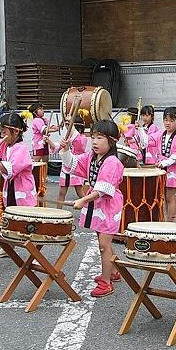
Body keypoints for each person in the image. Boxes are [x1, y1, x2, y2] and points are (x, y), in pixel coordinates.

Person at [58, 120, 124, 297]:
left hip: (109, 205)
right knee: (103, 242)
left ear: (112, 141)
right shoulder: (91, 157)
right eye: (93, 137)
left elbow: (102, 189)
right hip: (97, 203)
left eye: (100, 138)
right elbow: (72, 164)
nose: (94, 141)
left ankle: (106, 283)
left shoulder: (112, 162)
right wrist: (66, 150)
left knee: (104, 244)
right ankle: (113, 271)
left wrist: (83, 200)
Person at [0, 111, 38, 258]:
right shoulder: (6, 145)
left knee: (26, 221)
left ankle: (35, 254)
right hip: (11, 187)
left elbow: (11, 168)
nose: (2, 135)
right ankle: (8, 246)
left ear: (16, 131)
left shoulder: (21, 148)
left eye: (4, 132)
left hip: (22, 188)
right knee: (10, 218)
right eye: (1, 132)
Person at [150, 107, 176, 220]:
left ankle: (171, 221)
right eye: (166, 120)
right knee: (162, 197)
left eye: (171, 120)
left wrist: (164, 163)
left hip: (172, 170)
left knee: (170, 197)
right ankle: (163, 219)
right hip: (161, 170)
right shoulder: (160, 134)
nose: (167, 123)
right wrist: (140, 130)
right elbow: (147, 141)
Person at [45, 116, 88, 204]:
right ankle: (58, 212)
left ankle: (87, 209)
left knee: (80, 193)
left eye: (70, 126)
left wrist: (70, 121)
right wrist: (49, 141)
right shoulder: (67, 137)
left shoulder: (82, 138)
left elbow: (77, 138)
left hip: (76, 167)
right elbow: (58, 147)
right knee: (61, 193)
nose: (68, 127)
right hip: (65, 168)